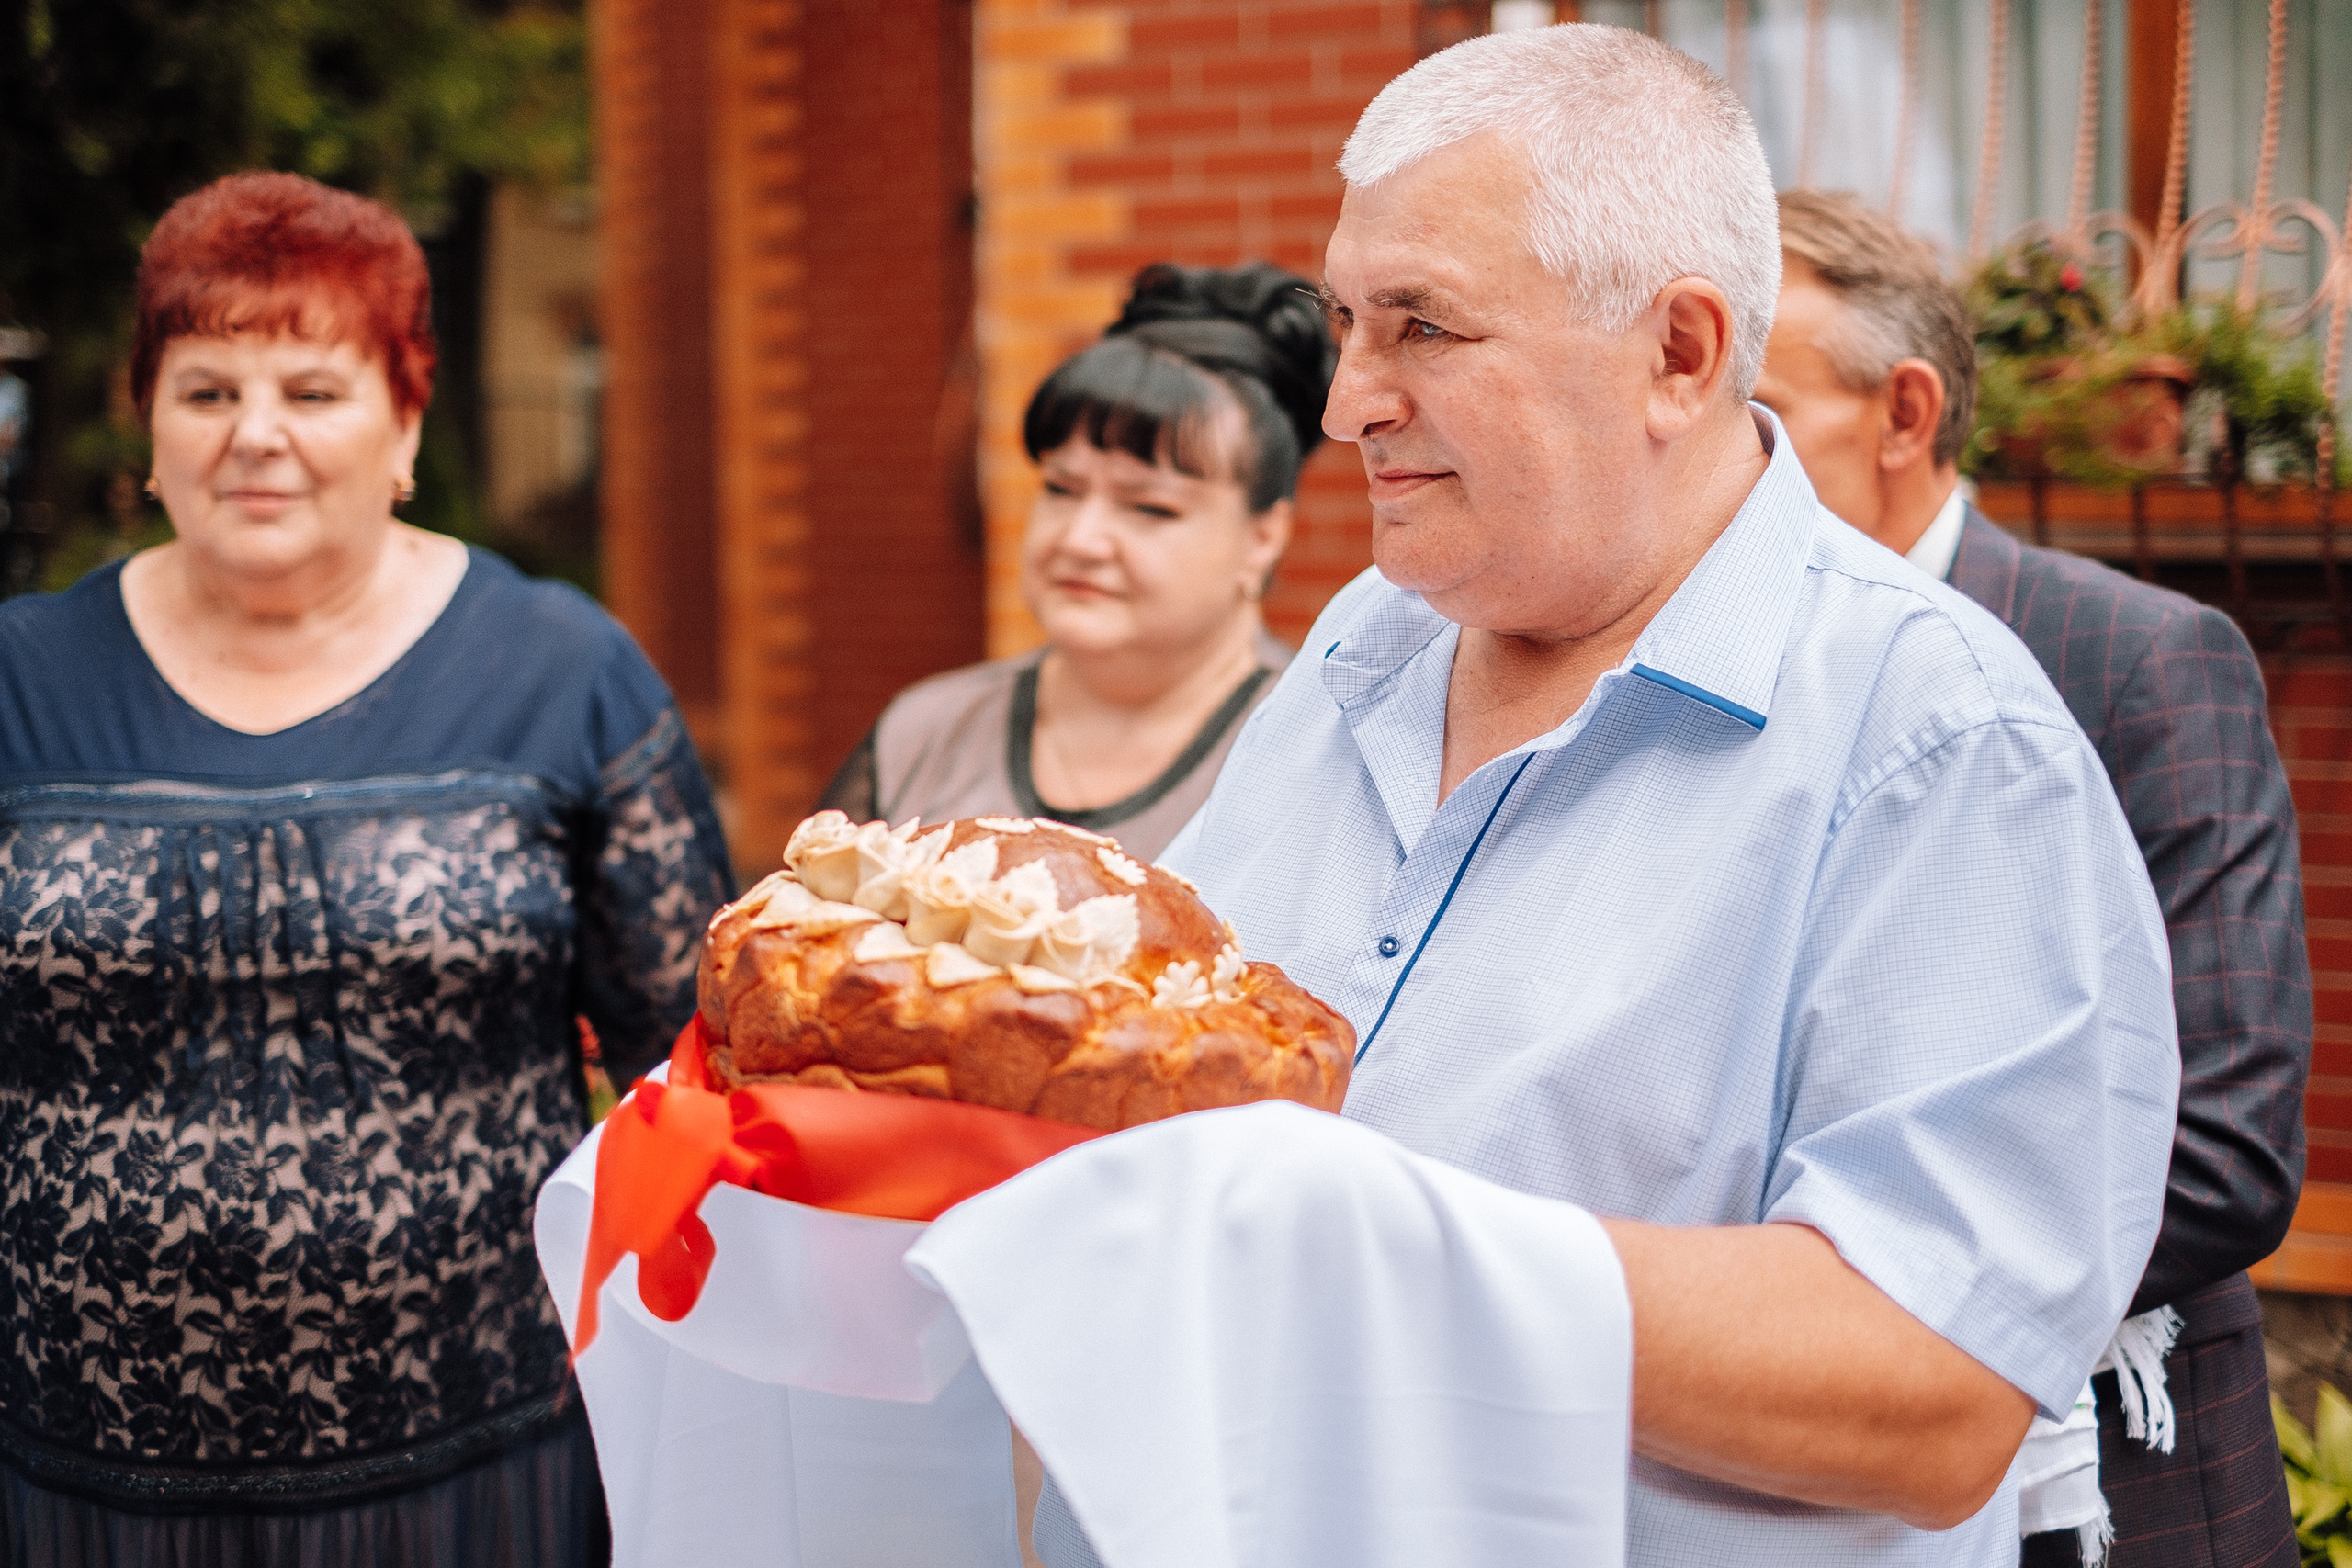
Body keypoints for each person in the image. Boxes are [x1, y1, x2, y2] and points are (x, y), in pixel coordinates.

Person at [1029, 26, 2180, 1565]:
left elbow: (1937, 1382)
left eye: (1423, 327)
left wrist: (1398, 1254)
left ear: (1680, 355)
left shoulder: (1941, 740)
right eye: (1345, 322)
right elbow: (1194, 1058)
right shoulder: (1372, 640)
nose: (1345, 403)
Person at [0, 172, 734, 1565]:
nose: (254, 438)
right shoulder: (22, 680)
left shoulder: (564, 674)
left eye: (312, 391)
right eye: (206, 391)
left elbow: (686, 1080)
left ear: (404, 421)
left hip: (474, 1470)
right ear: (146, 430)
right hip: (72, 1480)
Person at [1753, 188, 2307, 1568]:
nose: (1712, 451)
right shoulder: (1709, 676)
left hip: (2117, 1479)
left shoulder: (2139, 658)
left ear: (1906, 412)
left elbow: (2228, 1140)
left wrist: (1849, 1297)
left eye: (1758, 406)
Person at [818, 261, 1332, 862]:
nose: (1081, 539)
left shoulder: (1322, 758)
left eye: (1149, 507)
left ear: (1264, 536)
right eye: (1061, 489)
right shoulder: (925, 735)